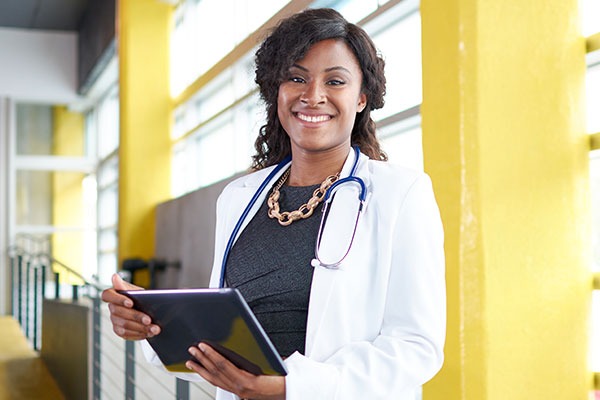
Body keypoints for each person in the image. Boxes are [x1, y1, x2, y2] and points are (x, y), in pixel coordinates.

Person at [102, 7, 446, 400]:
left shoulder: (400, 192)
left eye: (335, 81)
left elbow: (416, 347)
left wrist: (292, 388)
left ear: (362, 98)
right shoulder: (239, 199)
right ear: (276, 91)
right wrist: (151, 326)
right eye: (296, 78)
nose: (313, 95)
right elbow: (225, 341)